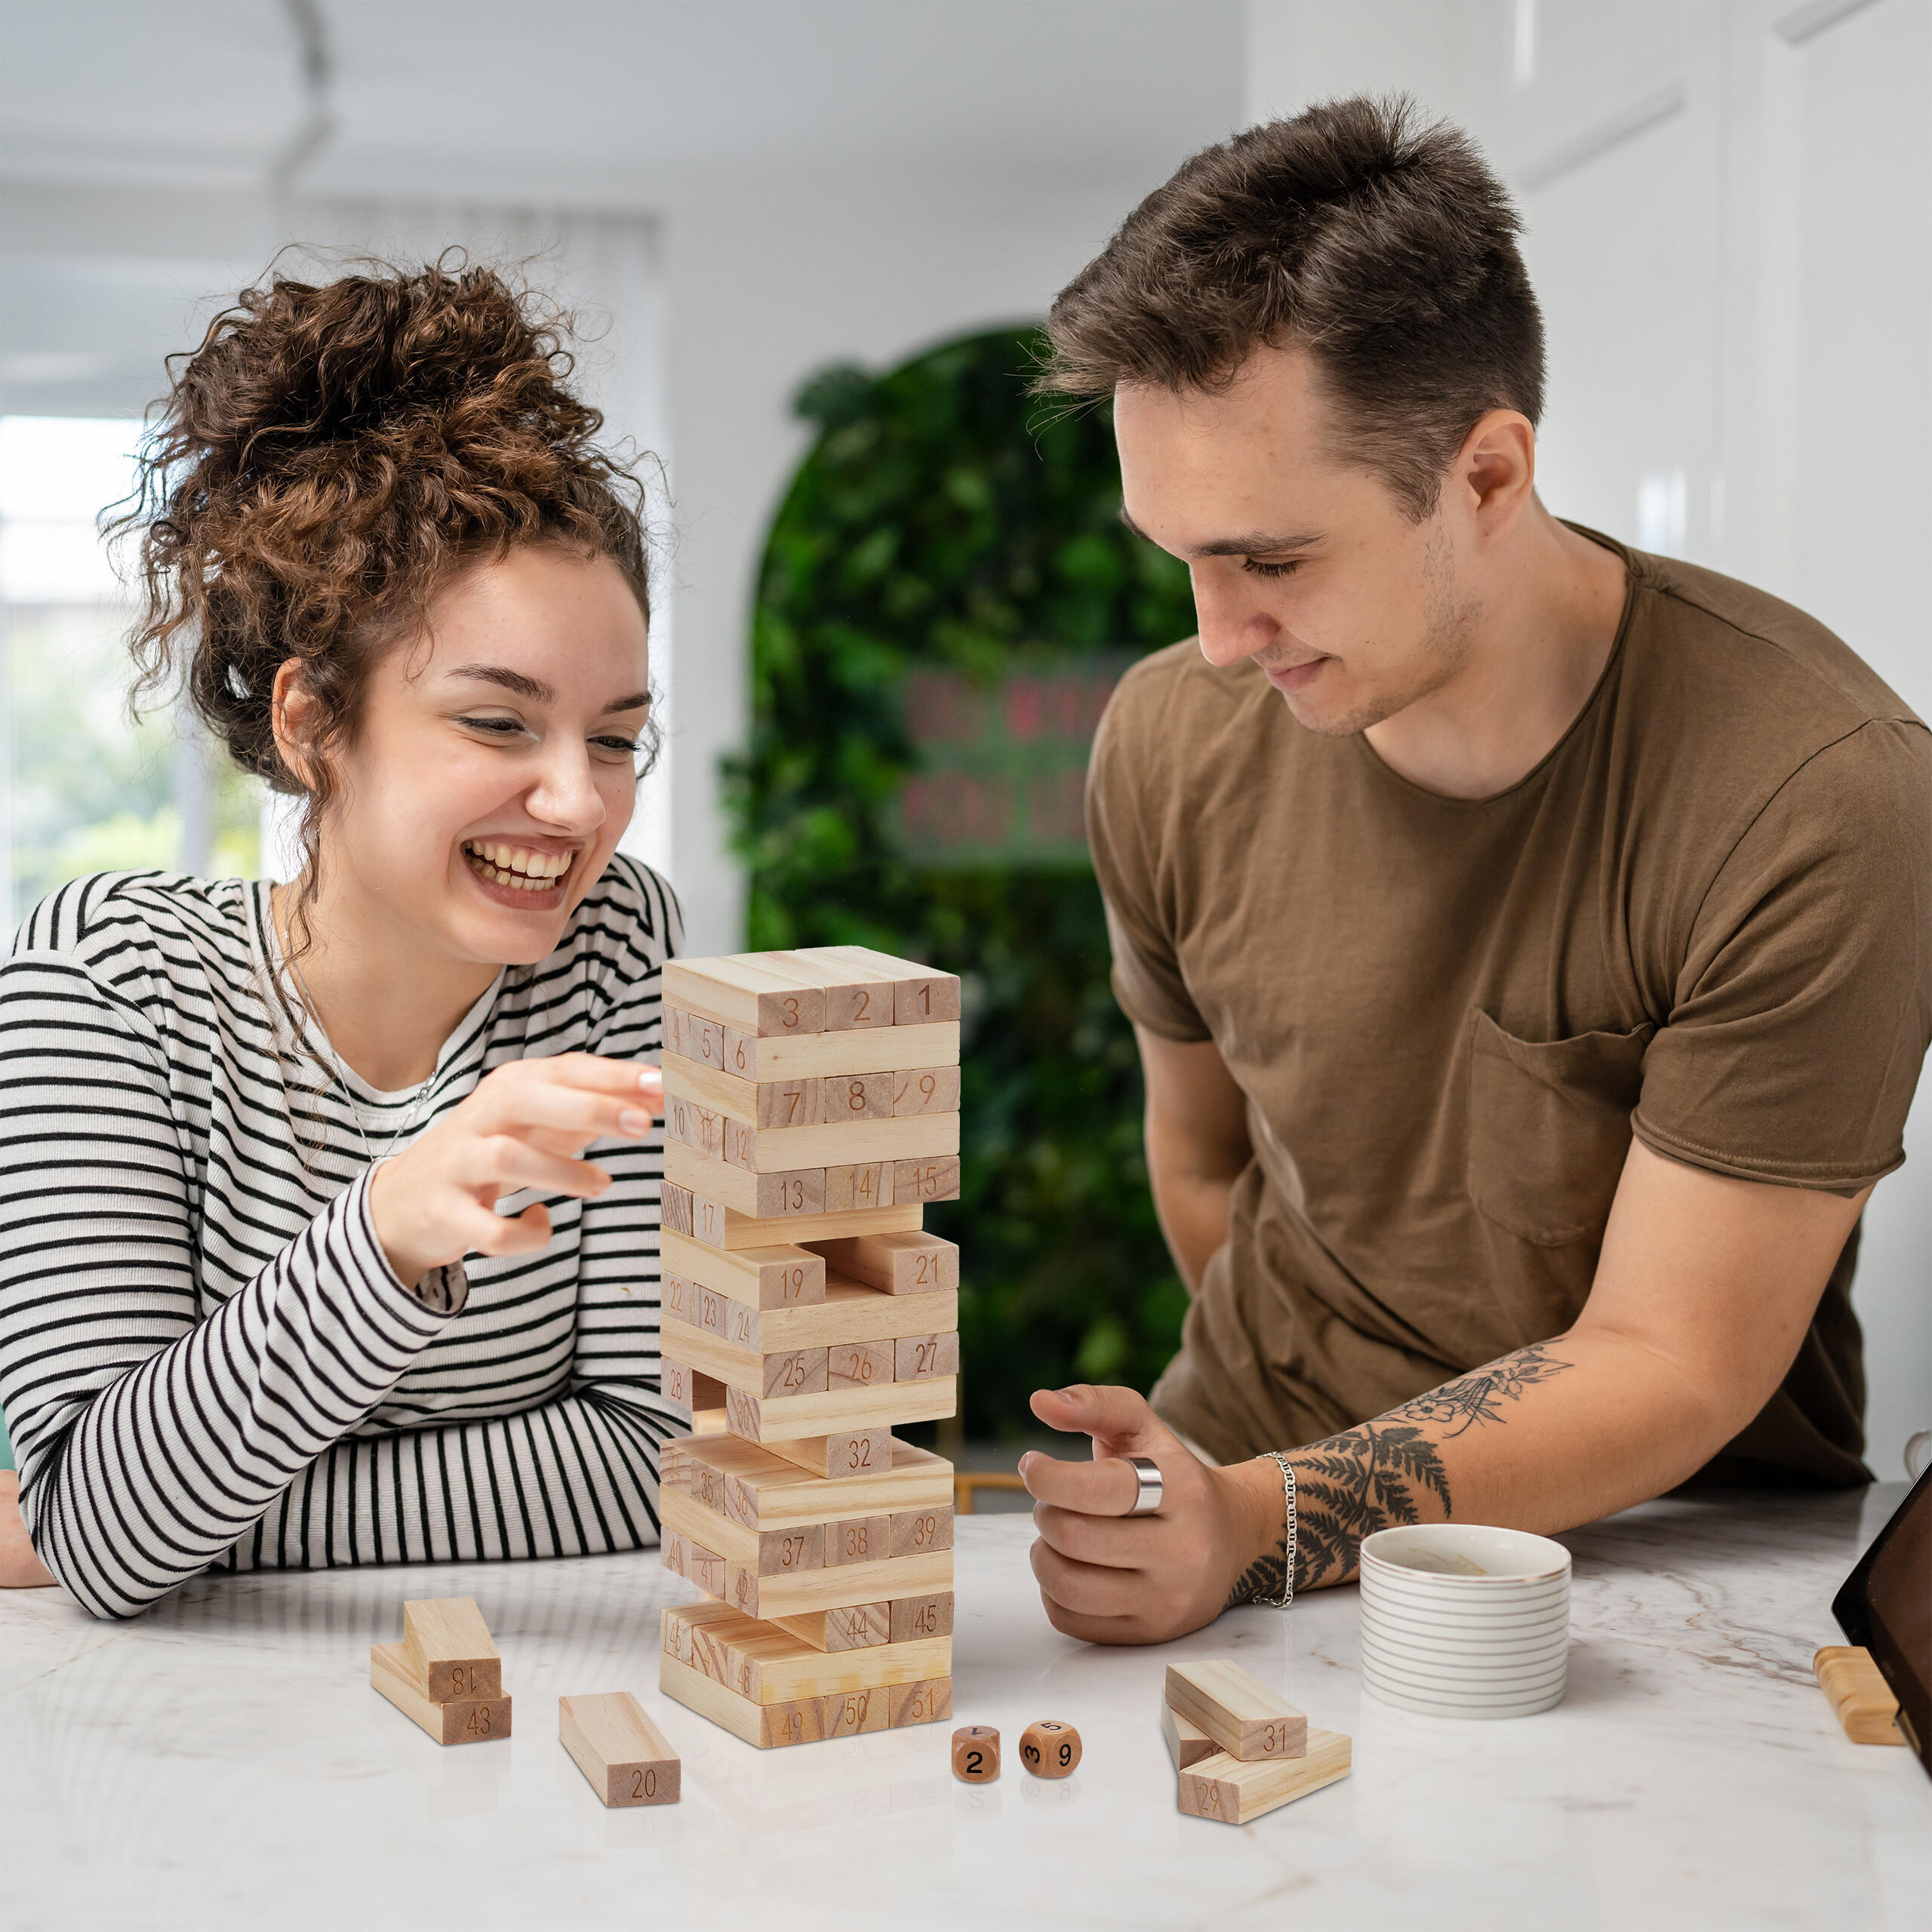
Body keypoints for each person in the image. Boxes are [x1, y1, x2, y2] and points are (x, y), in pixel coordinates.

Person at [1017, 97, 1932, 1643]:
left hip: (1660, 1557)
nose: (1217, 633)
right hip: (1238, 1490)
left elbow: (1675, 1353)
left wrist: (1278, 1514)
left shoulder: (1816, 793)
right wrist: (1247, 1500)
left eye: (1272, 557)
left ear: (1488, 474)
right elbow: (1200, 1168)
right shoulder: (1170, 738)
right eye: (1176, 553)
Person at [0, 261, 683, 1617]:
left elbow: (661, 1456)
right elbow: (101, 1525)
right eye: (498, 722)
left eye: (615, 737)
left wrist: (182, 1514)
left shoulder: (617, 951)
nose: (578, 801)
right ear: (315, 723)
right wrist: (380, 1237)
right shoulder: (106, 986)